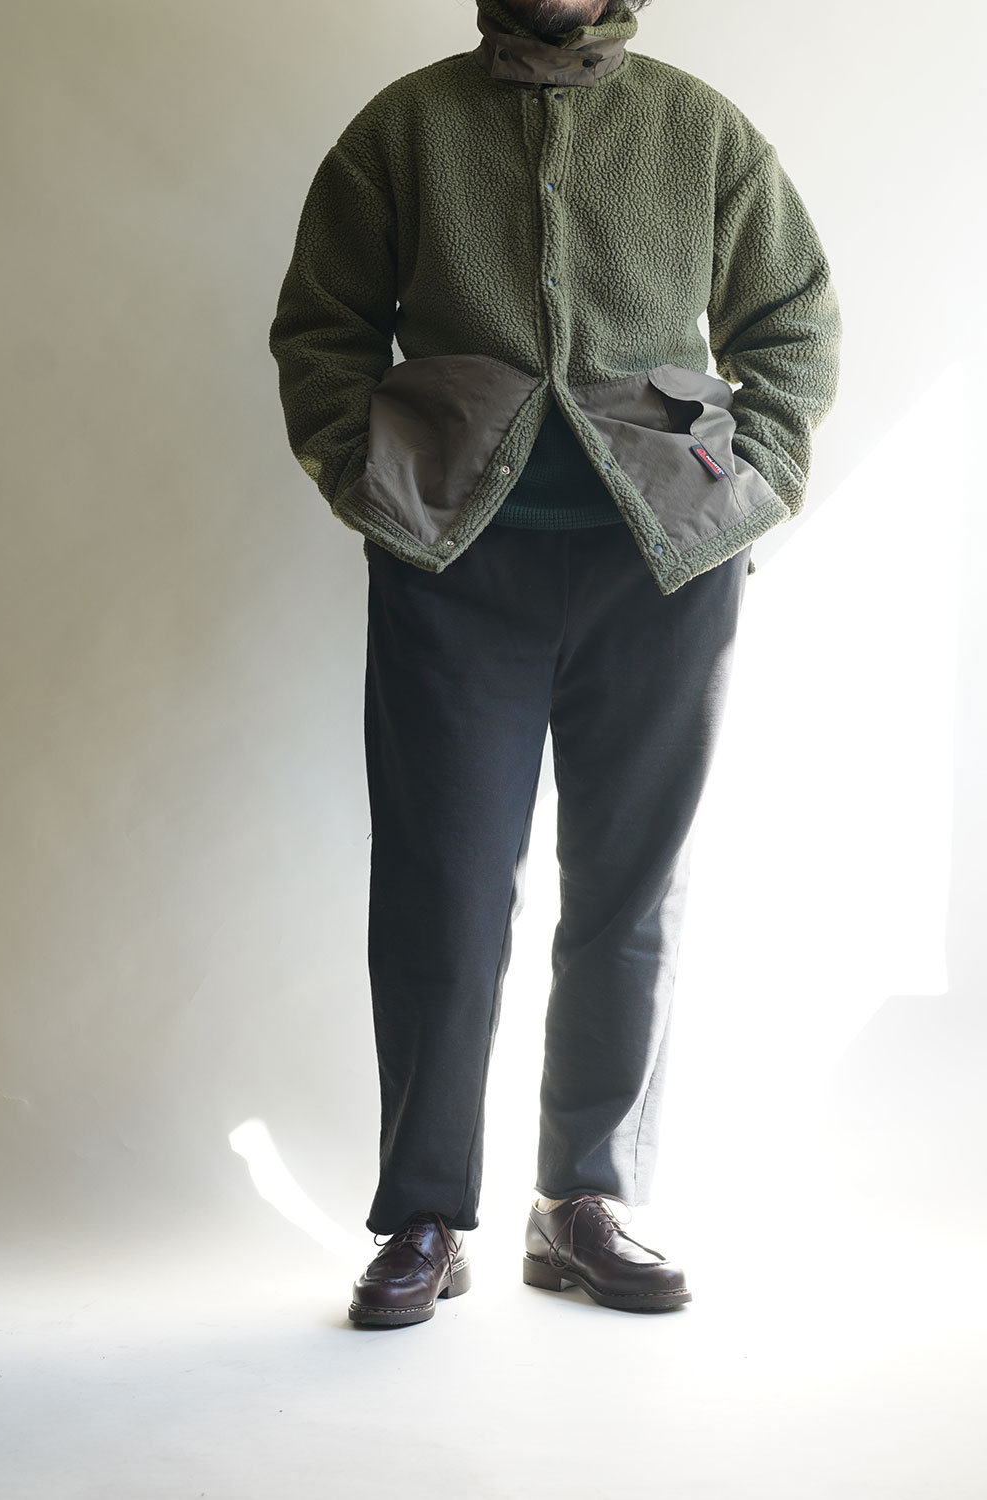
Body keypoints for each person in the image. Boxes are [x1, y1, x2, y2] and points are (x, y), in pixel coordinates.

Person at [269, 0, 841, 1327]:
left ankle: (585, 1201)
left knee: (629, 891)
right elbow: (322, 326)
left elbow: (792, 323)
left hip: (664, 571)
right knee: (442, 887)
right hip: (455, 567)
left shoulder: (697, 128)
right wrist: (370, 479)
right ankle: (424, 1213)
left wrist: (745, 485)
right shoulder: (408, 128)